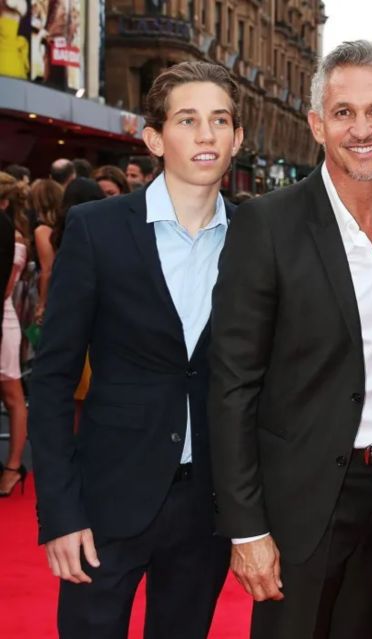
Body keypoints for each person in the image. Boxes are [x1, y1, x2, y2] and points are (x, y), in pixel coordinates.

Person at [208, 40, 372, 639]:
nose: (362, 129)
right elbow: (232, 385)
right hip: (299, 499)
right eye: (343, 112)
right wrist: (246, 527)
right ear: (317, 124)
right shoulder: (266, 224)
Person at [30, 60, 244, 638]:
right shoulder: (98, 229)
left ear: (237, 138)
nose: (206, 135)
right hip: (107, 500)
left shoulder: (257, 238)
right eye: (188, 119)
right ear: (154, 138)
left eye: (220, 120)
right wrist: (60, 511)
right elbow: (51, 379)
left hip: (208, 507)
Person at [0, 172, 27, 496]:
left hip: (5, 320)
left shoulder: (14, 237)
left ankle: (13, 467)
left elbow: (6, 287)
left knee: (12, 394)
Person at [29, 178, 63, 326]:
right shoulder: (61, 227)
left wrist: (42, 304)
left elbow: (47, 269)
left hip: (44, 290)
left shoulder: (42, 230)